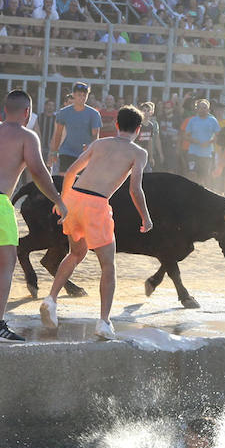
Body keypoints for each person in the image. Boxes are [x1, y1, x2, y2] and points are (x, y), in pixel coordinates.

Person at [0, 90, 65, 343]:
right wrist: (58, 200)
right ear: (27, 113)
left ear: (4, 110)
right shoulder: (28, 135)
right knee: (6, 262)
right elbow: (38, 172)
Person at [39, 105, 152, 339]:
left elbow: (70, 172)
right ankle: (104, 322)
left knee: (76, 253)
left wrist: (62, 201)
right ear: (138, 130)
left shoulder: (99, 143)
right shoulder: (138, 153)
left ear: (117, 125)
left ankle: (51, 299)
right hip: (97, 204)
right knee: (108, 266)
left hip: (75, 198)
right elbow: (135, 189)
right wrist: (146, 217)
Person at [49, 82, 101, 173]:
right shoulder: (64, 112)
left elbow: (95, 135)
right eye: (79, 95)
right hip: (66, 152)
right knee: (64, 180)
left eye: (84, 95)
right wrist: (54, 152)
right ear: (73, 95)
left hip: (84, 153)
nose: (82, 97)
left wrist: (90, 146)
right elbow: (58, 133)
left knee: (79, 183)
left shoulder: (94, 114)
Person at [182, 98, 221, 187]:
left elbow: (218, 135)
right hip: (193, 152)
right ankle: (191, 190)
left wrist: (210, 141)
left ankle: (201, 193)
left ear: (208, 109)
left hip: (206, 154)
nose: (202, 109)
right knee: (192, 173)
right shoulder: (192, 120)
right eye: (200, 107)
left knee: (204, 176)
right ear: (197, 109)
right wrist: (193, 140)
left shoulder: (212, 120)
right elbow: (185, 135)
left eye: (205, 108)